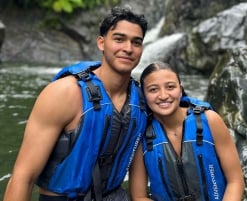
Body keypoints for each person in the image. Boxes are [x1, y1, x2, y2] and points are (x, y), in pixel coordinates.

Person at [4, 7, 148, 201]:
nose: (128, 48)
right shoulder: (64, 93)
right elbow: (23, 177)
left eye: (136, 42)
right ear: (101, 43)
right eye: (119, 39)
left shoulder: (141, 101)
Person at [129, 61, 245, 201]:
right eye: (153, 89)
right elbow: (139, 196)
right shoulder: (141, 134)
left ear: (180, 89)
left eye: (170, 87)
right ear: (144, 95)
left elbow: (235, 181)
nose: (163, 95)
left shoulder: (210, 120)